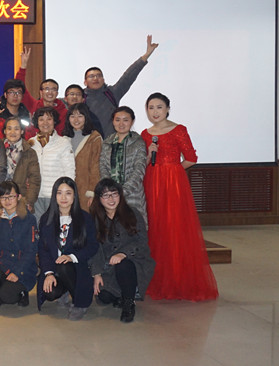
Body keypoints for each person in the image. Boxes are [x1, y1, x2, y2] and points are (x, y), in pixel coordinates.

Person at [142, 92, 218, 301]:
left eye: (159, 107)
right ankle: (157, 280)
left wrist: (172, 170)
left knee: (174, 230)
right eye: (151, 107)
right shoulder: (145, 134)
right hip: (151, 183)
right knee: (155, 229)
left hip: (173, 186)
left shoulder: (178, 130)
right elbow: (143, 163)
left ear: (167, 109)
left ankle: (179, 281)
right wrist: (149, 156)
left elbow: (191, 158)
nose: (155, 112)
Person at [89, 178, 155, 323]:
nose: (111, 199)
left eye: (114, 194)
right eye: (106, 195)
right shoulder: (95, 218)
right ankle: (122, 295)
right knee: (104, 297)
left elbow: (142, 241)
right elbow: (95, 249)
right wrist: (96, 273)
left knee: (123, 265)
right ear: (99, 198)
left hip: (134, 261)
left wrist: (123, 253)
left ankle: (129, 303)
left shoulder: (133, 213)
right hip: (108, 267)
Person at [37, 177, 99, 321]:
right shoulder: (46, 219)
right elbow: (43, 249)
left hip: (77, 267)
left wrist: (72, 257)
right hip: (54, 268)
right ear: (54, 196)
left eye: (68, 193)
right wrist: (48, 273)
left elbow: (93, 246)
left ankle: (80, 303)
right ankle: (64, 290)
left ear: (74, 196)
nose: (63, 197)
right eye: (59, 193)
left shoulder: (85, 218)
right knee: (50, 293)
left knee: (64, 267)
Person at [0, 181, 37, 309]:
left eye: (11, 197)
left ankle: (22, 293)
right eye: (3, 197)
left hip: (22, 267)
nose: (7, 201)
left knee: (8, 296)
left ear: (19, 197)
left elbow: (31, 251)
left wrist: (17, 272)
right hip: (2, 263)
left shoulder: (29, 219)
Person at [84, 34, 158, 135]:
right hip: (90, 143)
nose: (96, 79)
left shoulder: (112, 93)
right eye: (91, 76)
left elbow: (128, 77)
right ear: (85, 82)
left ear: (103, 79)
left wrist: (146, 55)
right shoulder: (80, 97)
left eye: (99, 76)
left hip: (112, 142)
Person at [99, 106, 147, 220]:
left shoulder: (138, 142)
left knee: (134, 226)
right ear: (113, 121)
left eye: (125, 120)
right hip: (110, 197)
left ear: (132, 121)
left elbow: (139, 169)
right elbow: (103, 166)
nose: (121, 124)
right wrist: (111, 192)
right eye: (117, 120)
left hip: (133, 194)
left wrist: (122, 192)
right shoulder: (107, 142)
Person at [28, 106, 75, 220]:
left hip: (55, 196)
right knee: (37, 227)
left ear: (54, 121)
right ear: (37, 122)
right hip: (35, 196)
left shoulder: (63, 143)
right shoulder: (30, 143)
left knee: (54, 226)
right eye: (41, 119)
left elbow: (69, 171)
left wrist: (66, 194)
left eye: (49, 119)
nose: (45, 123)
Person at [63, 103, 103, 211]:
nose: (76, 120)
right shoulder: (64, 139)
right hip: (66, 190)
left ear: (86, 117)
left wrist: (92, 192)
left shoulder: (94, 138)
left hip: (85, 189)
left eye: (80, 116)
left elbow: (96, 167)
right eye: (72, 116)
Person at [1, 116, 41, 212]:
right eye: (9, 128)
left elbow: (34, 179)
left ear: (22, 131)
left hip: (21, 199)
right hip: (0, 198)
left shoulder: (29, 152)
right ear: (5, 131)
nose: (12, 132)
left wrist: (28, 201)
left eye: (16, 129)